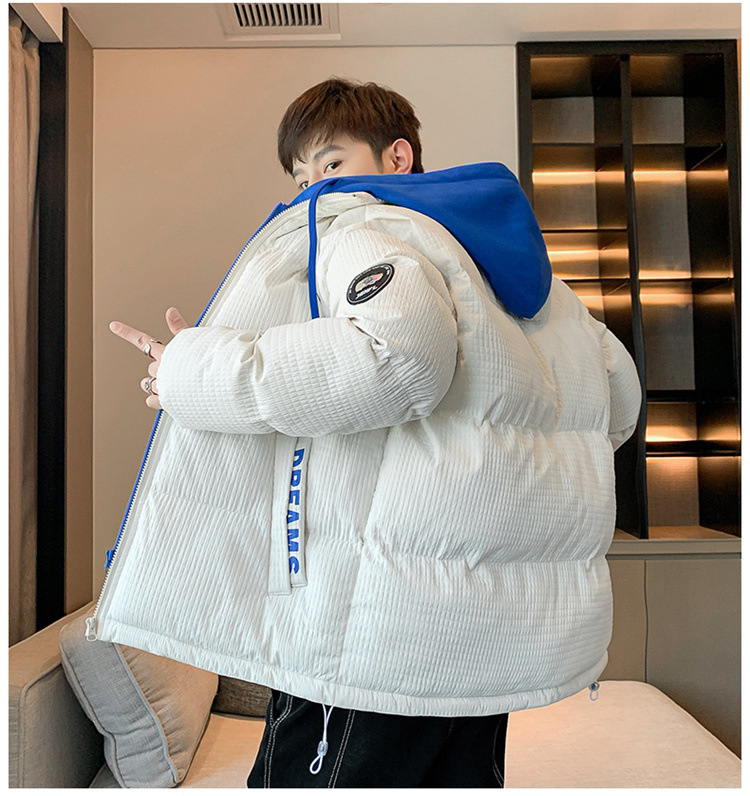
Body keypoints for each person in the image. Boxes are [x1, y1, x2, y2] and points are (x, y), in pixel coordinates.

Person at [101, 77, 642, 788]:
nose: (313, 190)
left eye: (331, 163)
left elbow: (398, 357)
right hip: (487, 645)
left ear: (397, 157)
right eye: (301, 177)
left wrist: (191, 371)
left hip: (378, 636)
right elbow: (619, 400)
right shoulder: (526, 278)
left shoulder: (368, 228)